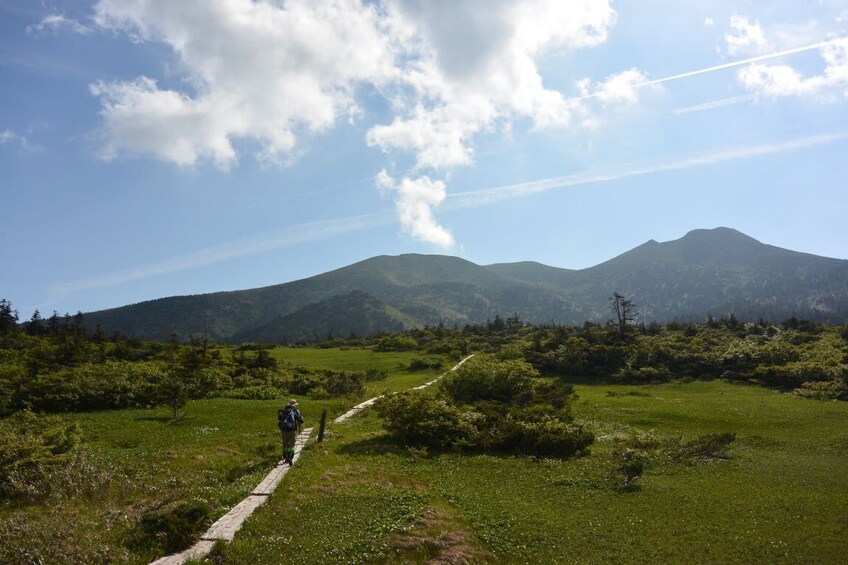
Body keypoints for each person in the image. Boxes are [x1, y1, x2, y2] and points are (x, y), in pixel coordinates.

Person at [278, 399, 304, 466]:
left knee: (286, 444)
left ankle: (286, 458)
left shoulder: (283, 411)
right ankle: (290, 457)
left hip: (284, 431)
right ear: (294, 405)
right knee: (291, 445)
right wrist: (301, 418)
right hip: (292, 431)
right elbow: (301, 421)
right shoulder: (294, 412)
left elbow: (279, 420)